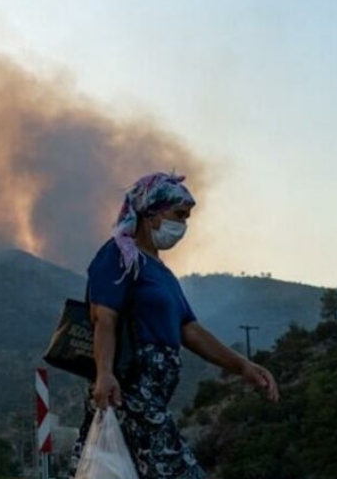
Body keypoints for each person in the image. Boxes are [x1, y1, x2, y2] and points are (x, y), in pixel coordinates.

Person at [70, 172, 279, 478]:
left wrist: (242, 365)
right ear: (152, 213)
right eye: (178, 215)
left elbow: (189, 329)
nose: (183, 225)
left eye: (187, 217)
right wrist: (104, 373)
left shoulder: (161, 273)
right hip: (131, 391)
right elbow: (104, 317)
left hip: (153, 394)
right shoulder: (119, 255)